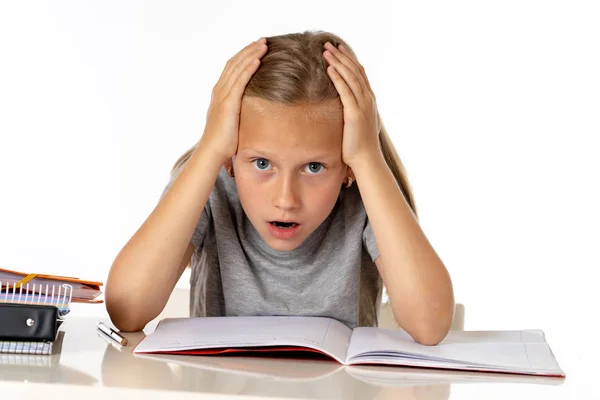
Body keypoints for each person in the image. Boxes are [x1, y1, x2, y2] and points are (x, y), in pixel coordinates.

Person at [105, 30, 455, 345]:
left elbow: (430, 325)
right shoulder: (210, 181)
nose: (286, 200)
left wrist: (367, 157)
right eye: (261, 164)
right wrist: (210, 149)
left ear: (347, 169)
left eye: (314, 167)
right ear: (230, 158)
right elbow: (127, 310)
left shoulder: (367, 193)